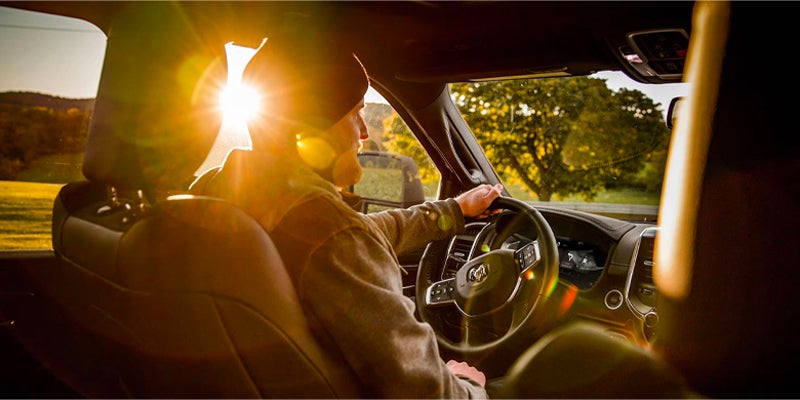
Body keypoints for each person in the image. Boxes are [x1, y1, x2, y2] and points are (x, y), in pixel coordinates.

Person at [198, 35, 503, 398]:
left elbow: (364, 232)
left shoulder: (220, 191)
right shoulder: (333, 234)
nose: (364, 132)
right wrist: (470, 386)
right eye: (355, 114)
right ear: (312, 129)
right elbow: (426, 392)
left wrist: (453, 211)